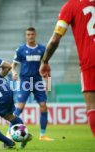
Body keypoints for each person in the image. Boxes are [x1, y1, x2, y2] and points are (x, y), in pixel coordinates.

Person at [39, 0, 95, 137]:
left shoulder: (71, 5)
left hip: (90, 59)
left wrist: (45, 61)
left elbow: (55, 39)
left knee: (92, 107)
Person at [11, 27, 54, 141]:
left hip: (37, 81)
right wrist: (14, 73)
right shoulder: (20, 50)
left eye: (32, 34)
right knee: (20, 107)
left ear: (35, 35)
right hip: (25, 81)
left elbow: (47, 68)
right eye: (28, 34)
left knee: (44, 106)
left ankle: (43, 135)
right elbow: (13, 65)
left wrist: (48, 83)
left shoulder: (42, 49)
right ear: (26, 36)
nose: (30, 36)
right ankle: (9, 132)